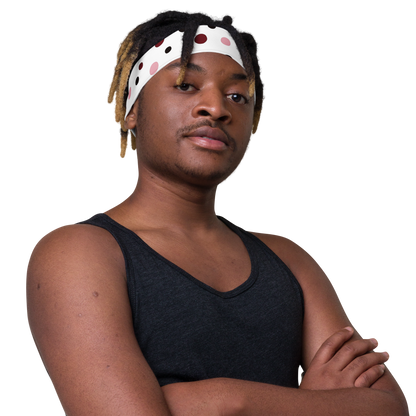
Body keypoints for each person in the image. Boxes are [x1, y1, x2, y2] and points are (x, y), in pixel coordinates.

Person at [23, 6, 410, 416]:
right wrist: (312, 404)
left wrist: (222, 401)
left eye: (237, 96)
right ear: (133, 109)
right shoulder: (78, 253)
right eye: (186, 85)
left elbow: (388, 408)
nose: (216, 107)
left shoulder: (289, 260)